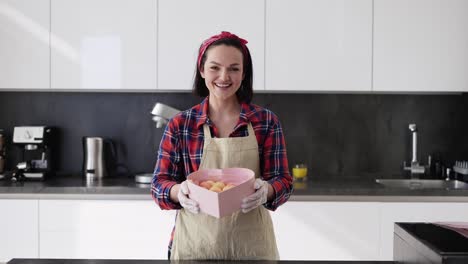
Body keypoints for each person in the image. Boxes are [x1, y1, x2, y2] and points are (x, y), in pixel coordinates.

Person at [151, 31, 293, 260]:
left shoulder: (265, 122)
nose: (224, 76)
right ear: (202, 70)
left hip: (252, 249)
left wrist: (266, 190)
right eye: (215, 67)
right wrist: (180, 191)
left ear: (244, 73)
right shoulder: (181, 124)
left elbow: (283, 181)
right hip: (195, 248)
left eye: (234, 68)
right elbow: (159, 184)